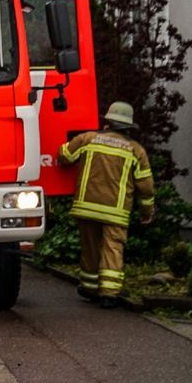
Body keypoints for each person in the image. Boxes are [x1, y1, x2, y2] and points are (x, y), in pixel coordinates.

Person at [59, 101, 156, 307]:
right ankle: (109, 294)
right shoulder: (135, 151)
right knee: (113, 248)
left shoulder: (88, 139)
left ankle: (89, 287)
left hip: (87, 206)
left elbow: (65, 156)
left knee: (90, 248)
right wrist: (147, 211)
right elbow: (146, 187)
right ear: (128, 127)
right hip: (116, 211)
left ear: (108, 122)